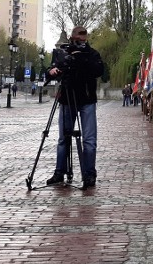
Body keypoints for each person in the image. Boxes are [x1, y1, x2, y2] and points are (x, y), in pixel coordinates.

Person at [45, 26, 105, 190]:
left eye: (84, 39)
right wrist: (52, 71)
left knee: (89, 140)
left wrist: (81, 59)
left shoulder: (92, 54)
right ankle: (59, 172)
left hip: (87, 99)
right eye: (79, 39)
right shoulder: (62, 53)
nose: (81, 42)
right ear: (72, 37)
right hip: (66, 99)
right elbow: (50, 71)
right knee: (63, 138)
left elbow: (99, 70)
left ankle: (89, 173)